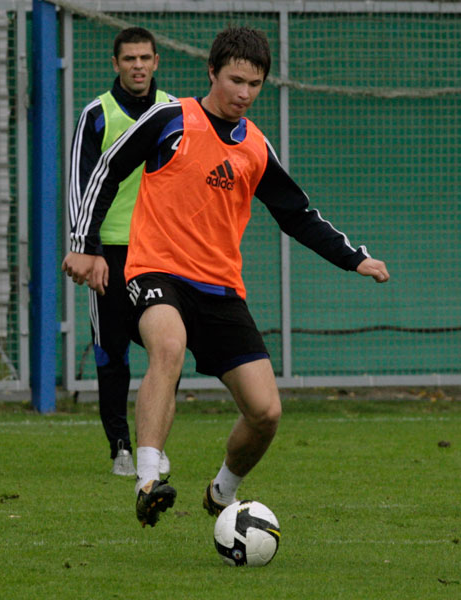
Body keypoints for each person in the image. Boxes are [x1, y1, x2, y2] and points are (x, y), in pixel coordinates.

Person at [62, 26, 390, 528]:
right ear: (211, 72)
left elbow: (297, 214)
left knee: (266, 413)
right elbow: (107, 169)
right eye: (236, 80)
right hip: (156, 270)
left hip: (220, 288)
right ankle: (147, 480)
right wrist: (84, 244)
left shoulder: (255, 145)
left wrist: (353, 258)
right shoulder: (170, 119)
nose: (244, 93)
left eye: (255, 84)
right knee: (167, 346)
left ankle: (221, 492)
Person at [68, 27, 174, 477]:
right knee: (111, 352)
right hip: (108, 252)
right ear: (115, 64)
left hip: (158, 252)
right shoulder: (97, 114)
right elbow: (80, 184)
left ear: (156, 61)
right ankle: (121, 447)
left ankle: (155, 443)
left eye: (145, 58)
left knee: (167, 347)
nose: (138, 66)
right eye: (129, 58)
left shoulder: (173, 111)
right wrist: (87, 248)